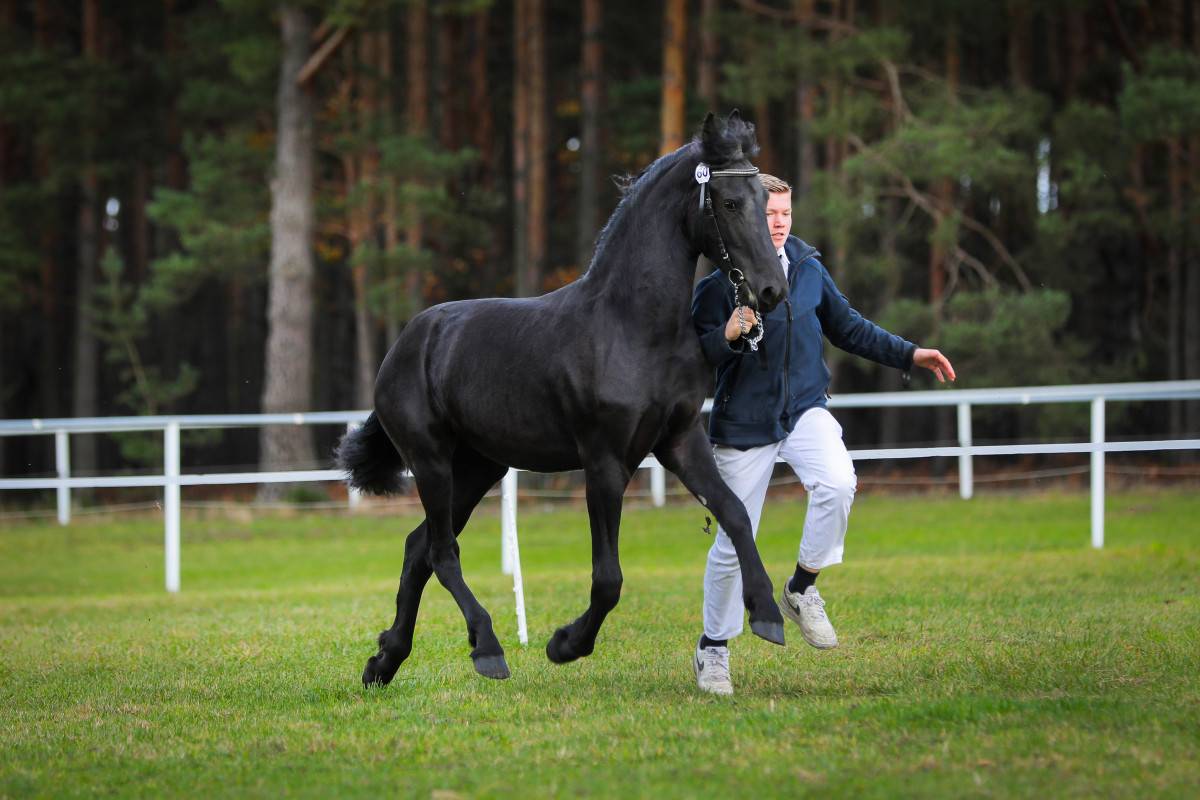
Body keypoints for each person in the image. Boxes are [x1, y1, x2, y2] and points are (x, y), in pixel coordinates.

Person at [689, 173, 956, 696]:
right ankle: (713, 650)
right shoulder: (718, 286)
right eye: (769, 215)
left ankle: (802, 587)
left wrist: (909, 354)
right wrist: (726, 334)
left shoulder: (808, 269)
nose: (780, 223)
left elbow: (850, 327)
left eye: (786, 213)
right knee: (731, 540)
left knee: (837, 482)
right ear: (748, 218)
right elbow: (694, 358)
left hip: (805, 409)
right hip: (743, 423)